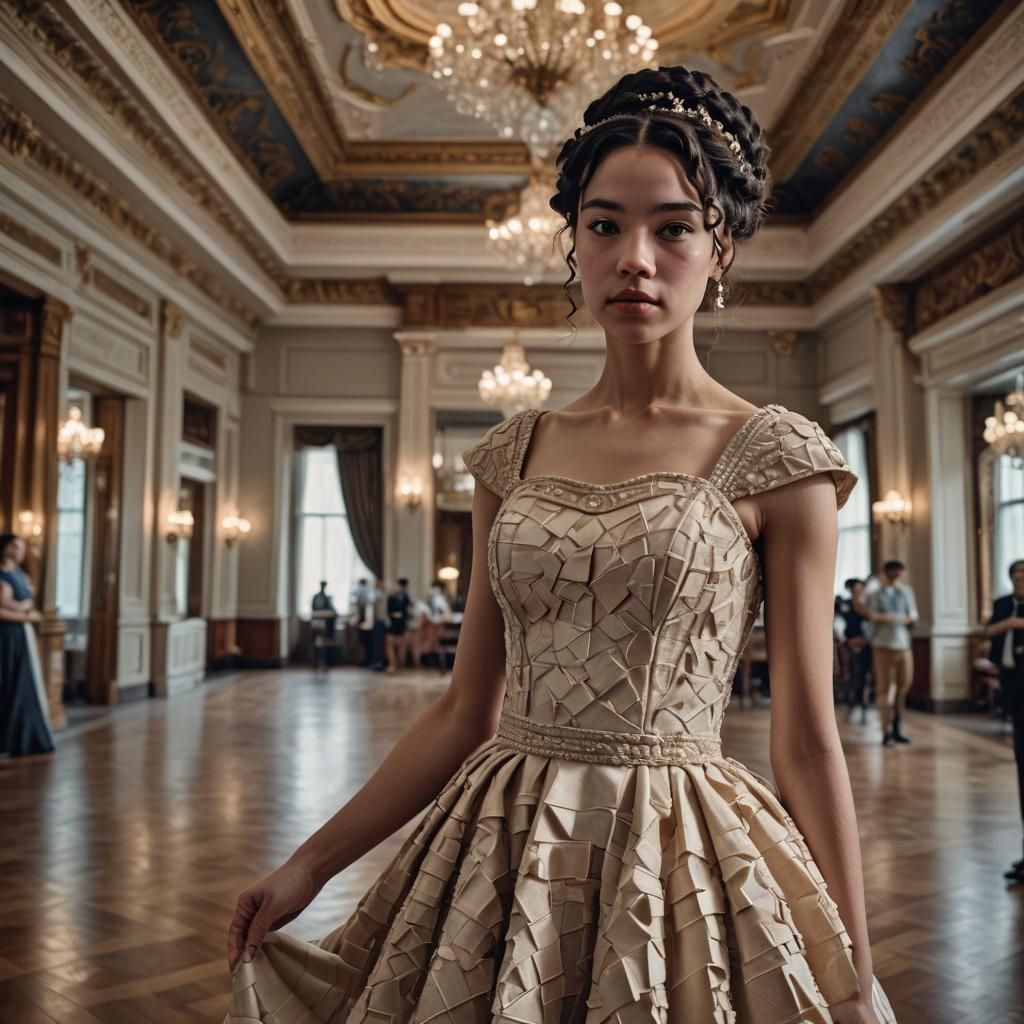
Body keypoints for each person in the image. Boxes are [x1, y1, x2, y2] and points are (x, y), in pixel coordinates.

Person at [224, 67, 896, 1024]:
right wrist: (305, 866)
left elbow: (806, 737)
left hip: (682, 849)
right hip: (498, 841)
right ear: (571, 245)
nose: (635, 258)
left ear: (721, 250)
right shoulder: (511, 453)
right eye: (604, 224)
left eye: (673, 227)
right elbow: (464, 710)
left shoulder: (776, 457)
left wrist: (853, 965)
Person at [983, 558, 1024, 882]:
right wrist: (1007, 625)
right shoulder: (1002, 604)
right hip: (1011, 684)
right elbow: (986, 632)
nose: (1020, 578)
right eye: (1016, 574)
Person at [0, 533, 55, 757]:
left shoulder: (21, 575)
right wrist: (25, 615)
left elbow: (27, 601)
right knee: (7, 681)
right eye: (14, 546)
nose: (18, 551)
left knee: (23, 684)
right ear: (4, 548)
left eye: (21, 547)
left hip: (22, 636)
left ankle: (21, 738)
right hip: (5, 637)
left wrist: (24, 610)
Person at [864, 560, 919, 747]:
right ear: (886, 572)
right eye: (893, 570)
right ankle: (885, 729)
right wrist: (891, 618)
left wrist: (900, 618)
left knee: (904, 686)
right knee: (884, 689)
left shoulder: (906, 592)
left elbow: (912, 615)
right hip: (883, 645)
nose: (897, 573)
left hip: (903, 645)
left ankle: (897, 727)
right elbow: (872, 615)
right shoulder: (876, 593)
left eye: (899, 570)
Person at [836, 577, 872, 724]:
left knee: (864, 674)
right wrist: (847, 641)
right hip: (848, 644)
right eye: (855, 588)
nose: (858, 590)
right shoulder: (842, 604)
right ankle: (850, 701)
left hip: (866, 643)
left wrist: (866, 640)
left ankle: (863, 702)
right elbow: (837, 623)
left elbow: (873, 624)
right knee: (850, 672)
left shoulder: (868, 605)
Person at [384, 578, 413, 673]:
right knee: (389, 643)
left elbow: (409, 612)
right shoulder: (391, 597)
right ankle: (393, 664)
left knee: (401, 645)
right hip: (393, 624)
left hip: (402, 624)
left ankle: (399, 664)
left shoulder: (406, 597)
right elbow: (388, 612)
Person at [309, 581, 337, 675]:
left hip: (325, 623)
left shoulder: (327, 598)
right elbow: (313, 608)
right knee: (317, 643)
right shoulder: (316, 597)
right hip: (317, 622)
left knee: (323, 644)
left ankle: (323, 662)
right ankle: (316, 661)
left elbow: (332, 611)